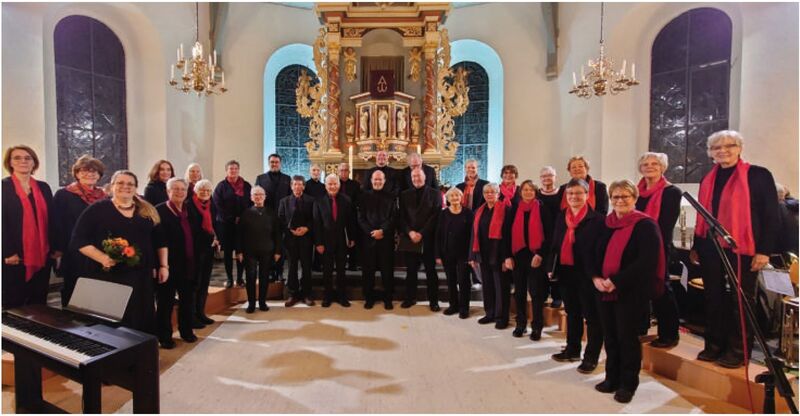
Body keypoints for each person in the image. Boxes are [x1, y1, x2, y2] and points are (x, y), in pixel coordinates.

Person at [690, 130, 779, 368]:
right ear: (710, 153)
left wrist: (764, 251)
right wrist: (696, 246)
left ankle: (739, 350)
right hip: (710, 247)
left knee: (741, 299)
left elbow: (771, 216)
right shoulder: (707, 178)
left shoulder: (758, 175)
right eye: (716, 148)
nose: (723, 151)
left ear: (739, 148)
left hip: (743, 247)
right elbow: (703, 215)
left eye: (729, 146)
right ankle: (714, 345)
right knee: (713, 296)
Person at [593, 179, 664, 403]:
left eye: (625, 196)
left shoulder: (646, 225)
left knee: (627, 338)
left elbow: (647, 261)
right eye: (615, 196)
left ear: (634, 198)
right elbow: (593, 252)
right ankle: (611, 378)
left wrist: (616, 281)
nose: (620, 200)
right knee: (610, 336)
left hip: (630, 291)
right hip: (604, 289)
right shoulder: (606, 224)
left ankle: (628, 384)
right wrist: (596, 278)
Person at [70, 170, 167, 334]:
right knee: (112, 323)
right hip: (109, 275)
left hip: (140, 276)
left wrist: (164, 266)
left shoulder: (146, 211)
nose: (125, 187)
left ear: (136, 188)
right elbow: (78, 240)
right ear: (112, 186)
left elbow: (160, 240)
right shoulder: (97, 209)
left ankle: (141, 349)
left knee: (141, 318)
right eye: (120, 183)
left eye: (130, 184)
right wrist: (103, 258)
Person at [550, 178, 605, 374]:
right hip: (566, 272)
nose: (574, 196)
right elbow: (555, 243)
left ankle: (591, 357)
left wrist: (596, 275)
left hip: (588, 274)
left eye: (578, 193)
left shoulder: (598, 220)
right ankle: (572, 350)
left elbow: (601, 251)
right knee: (572, 313)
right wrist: (551, 267)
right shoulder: (561, 216)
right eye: (570, 193)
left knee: (592, 317)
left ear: (587, 195)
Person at [635, 152, 682, 348]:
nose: (649, 167)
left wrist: (650, 244)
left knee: (661, 289)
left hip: (659, 245)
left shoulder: (672, 192)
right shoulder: (636, 191)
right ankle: (640, 327)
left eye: (654, 164)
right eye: (645, 164)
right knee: (638, 287)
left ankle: (669, 334)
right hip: (637, 245)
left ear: (662, 167)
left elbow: (665, 224)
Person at [2, 145, 54, 309]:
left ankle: (38, 325)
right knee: (14, 300)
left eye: (27, 158)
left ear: (34, 163)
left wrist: (55, 247)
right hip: (14, 254)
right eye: (17, 158)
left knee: (39, 299)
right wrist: (7, 252)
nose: (23, 161)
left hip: (42, 251)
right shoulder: (3, 187)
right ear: (10, 162)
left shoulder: (43, 187)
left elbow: (52, 219)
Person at [52, 155, 106, 306]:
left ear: (99, 175)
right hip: (72, 250)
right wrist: (57, 250)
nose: (90, 174)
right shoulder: (64, 194)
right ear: (76, 173)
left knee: (96, 289)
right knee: (74, 289)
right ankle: (71, 319)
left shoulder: (104, 197)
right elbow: (56, 223)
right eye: (84, 170)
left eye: (94, 171)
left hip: (98, 251)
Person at [156, 178, 202, 348]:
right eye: (175, 189)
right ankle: (164, 336)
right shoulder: (159, 211)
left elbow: (196, 234)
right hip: (168, 265)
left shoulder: (190, 210)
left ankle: (186, 331)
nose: (179, 192)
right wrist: (161, 266)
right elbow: (157, 240)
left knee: (187, 300)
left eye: (183, 189)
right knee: (165, 302)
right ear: (168, 191)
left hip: (188, 264)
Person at [507, 180, 553, 340]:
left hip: (536, 257)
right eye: (525, 190)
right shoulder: (514, 209)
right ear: (520, 192)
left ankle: (537, 326)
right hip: (518, 256)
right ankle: (520, 324)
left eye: (531, 190)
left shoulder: (543, 209)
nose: (528, 192)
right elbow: (506, 234)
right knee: (519, 293)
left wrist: (540, 254)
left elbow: (549, 235)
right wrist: (508, 256)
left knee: (536, 294)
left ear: (535, 192)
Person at [398, 168, 442, 311]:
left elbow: (435, 217)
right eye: (413, 176)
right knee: (411, 271)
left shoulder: (435, 194)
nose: (416, 178)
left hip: (428, 238)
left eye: (418, 176)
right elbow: (401, 217)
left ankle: (433, 301)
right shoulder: (404, 194)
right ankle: (410, 298)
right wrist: (410, 232)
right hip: (410, 238)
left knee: (430, 271)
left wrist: (421, 233)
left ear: (425, 177)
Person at [469, 183, 512, 328]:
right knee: (487, 285)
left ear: (498, 194)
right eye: (486, 192)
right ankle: (490, 313)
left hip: (499, 254)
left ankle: (501, 317)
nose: (489, 194)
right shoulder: (479, 211)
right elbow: (474, 234)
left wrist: (507, 257)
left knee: (501, 287)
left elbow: (508, 235)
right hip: (483, 254)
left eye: (492, 192)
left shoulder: (506, 210)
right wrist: (473, 255)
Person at [237, 186, 282, 313]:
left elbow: (277, 233)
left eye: (261, 194)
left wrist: (278, 251)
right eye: (255, 194)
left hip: (267, 250)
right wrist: (239, 251)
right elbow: (239, 234)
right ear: (251, 197)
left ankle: (262, 302)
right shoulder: (246, 213)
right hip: (249, 250)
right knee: (250, 277)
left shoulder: (272, 213)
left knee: (264, 277)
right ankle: (251, 303)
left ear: (265, 197)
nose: (258, 197)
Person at [314, 174, 357, 307]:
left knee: (341, 270)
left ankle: (342, 296)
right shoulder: (319, 201)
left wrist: (352, 237)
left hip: (341, 240)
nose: (332, 186)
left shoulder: (346, 200)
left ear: (339, 185)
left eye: (335, 184)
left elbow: (351, 221)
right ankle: (327, 297)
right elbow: (317, 224)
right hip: (325, 241)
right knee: (327, 270)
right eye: (330, 184)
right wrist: (318, 243)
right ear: (325, 185)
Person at [358, 170, 397, 310]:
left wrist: (382, 231)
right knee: (368, 271)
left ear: (384, 181)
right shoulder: (363, 196)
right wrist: (372, 232)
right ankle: (369, 298)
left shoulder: (391, 197)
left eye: (380, 179)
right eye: (375, 179)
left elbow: (393, 217)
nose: (377, 182)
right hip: (368, 239)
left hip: (386, 239)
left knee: (387, 271)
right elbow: (361, 218)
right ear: (371, 180)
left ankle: (388, 298)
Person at [436, 187, 474, 318]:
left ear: (461, 197)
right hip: (447, 252)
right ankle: (453, 305)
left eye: (457, 195)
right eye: (451, 196)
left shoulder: (468, 213)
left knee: (464, 281)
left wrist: (472, 254)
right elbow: (438, 235)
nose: (454, 198)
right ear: (447, 198)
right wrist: (437, 254)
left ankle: (464, 308)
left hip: (464, 253)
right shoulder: (443, 214)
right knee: (451, 280)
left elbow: (473, 235)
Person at [213, 160, 252, 288]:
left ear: (238, 170)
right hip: (226, 225)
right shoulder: (221, 186)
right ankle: (229, 278)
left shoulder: (246, 185)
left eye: (235, 168)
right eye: (231, 168)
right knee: (228, 253)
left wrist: (243, 218)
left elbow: (251, 203)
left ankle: (240, 278)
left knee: (241, 251)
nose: (233, 170)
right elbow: (218, 205)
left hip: (243, 225)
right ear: (226, 170)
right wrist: (232, 218)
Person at [278, 176, 316, 307]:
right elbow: (281, 219)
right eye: (295, 184)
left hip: (306, 238)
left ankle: (307, 294)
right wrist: (290, 230)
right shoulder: (284, 201)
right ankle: (292, 294)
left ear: (304, 187)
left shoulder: (311, 200)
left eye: (300, 184)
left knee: (306, 267)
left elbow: (314, 218)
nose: (297, 187)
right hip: (290, 239)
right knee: (292, 267)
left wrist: (306, 228)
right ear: (291, 186)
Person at [255, 154, 292, 280]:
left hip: (282, 218)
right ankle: (269, 271)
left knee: (280, 246)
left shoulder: (287, 178)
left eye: (276, 162)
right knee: (267, 246)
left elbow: (289, 199)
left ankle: (280, 272)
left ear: (280, 163)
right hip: (266, 217)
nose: (274, 164)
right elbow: (256, 197)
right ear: (268, 163)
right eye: (272, 162)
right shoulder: (260, 178)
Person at [187, 179, 219, 325]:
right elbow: (191, 229)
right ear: (195, 191)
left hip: (208, 248)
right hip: (195, 249)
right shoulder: (189, 205)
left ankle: (201, 313)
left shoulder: (212, 205)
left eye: (208, 190)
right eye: (202, 190)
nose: (205, 193)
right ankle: (192, 316)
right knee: (195, 283)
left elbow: (215, 224)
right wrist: (210, 238)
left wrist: (216, 238)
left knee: (205, 282)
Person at [537, 165, 563, 308]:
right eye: (544, 176)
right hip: (540, 234)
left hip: (558, 233)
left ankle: (557, 296)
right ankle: (543, 294)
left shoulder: (562, 193)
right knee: (541, 266)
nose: (547, 178)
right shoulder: (536, 194)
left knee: (555, 264)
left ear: (555, 177)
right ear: (540, 178)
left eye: (550, 175)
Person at [338, 162, 361, 271]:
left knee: (353, 239)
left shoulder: (355, 184)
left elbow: (358, 200)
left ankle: (353, 264)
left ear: (349, 172)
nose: (343, 172)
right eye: (341, 170)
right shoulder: (334, 183)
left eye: (346, 170)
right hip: (337, 216)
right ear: (338, 172)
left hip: (351, 215)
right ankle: (339, 264)